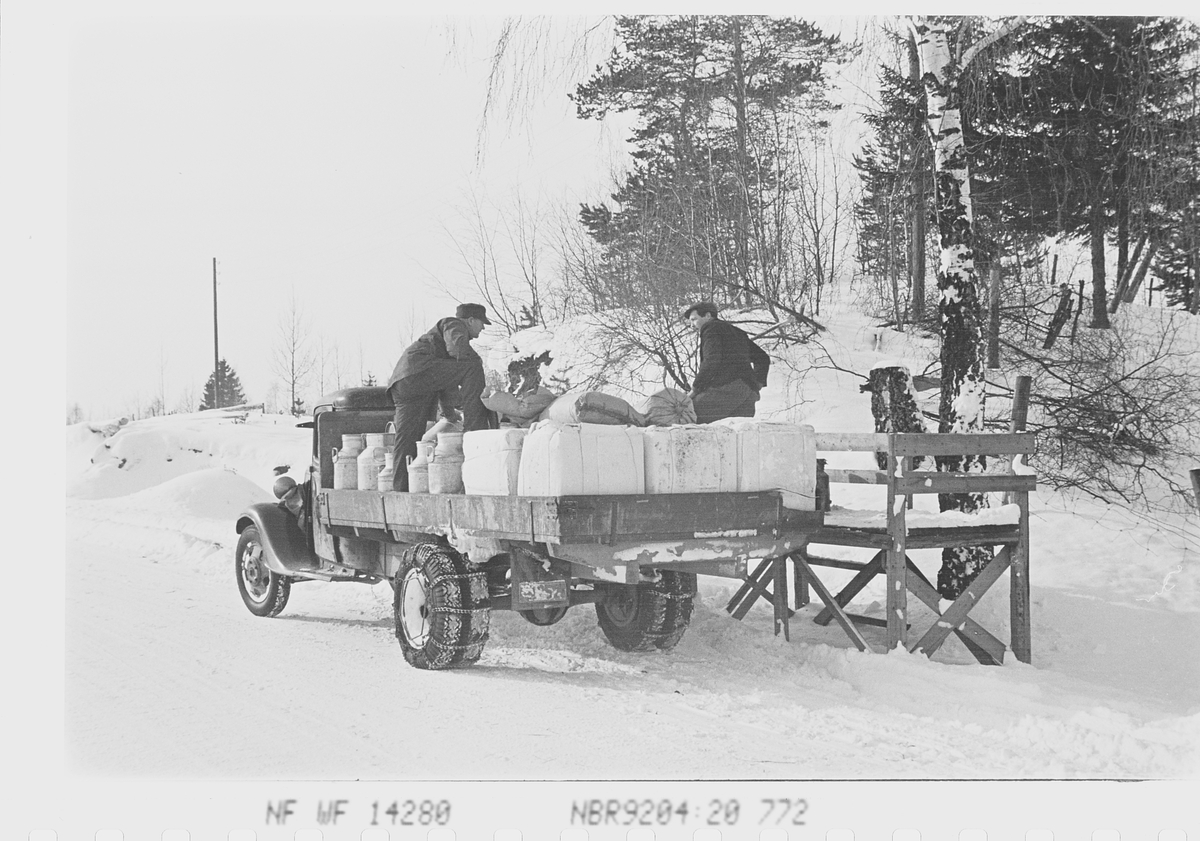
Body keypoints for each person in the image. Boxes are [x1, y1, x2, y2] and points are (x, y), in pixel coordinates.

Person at [387, 303, 493, 491]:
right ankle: (475, 432)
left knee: (408, 438)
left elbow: (445, 381)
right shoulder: (453, 324)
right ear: (470, 320)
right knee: (473, 365)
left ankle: (400, 489)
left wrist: (449, 413)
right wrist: (476, 360)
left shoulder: (440, 348)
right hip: (419, 373)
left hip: (403, 383)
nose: (483, 328)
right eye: (481, 323)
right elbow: (458, 351)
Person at [683, 301, 770, 423]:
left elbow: (711, 360)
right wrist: (756, 385)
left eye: (694, 319)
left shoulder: (710, 328)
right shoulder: (737, 332)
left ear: (708, 316)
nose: (692, 325)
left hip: (725, 390)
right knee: (737, 435)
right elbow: (762, 358)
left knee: (687, 417)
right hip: (747, 394)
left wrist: (695, 390)